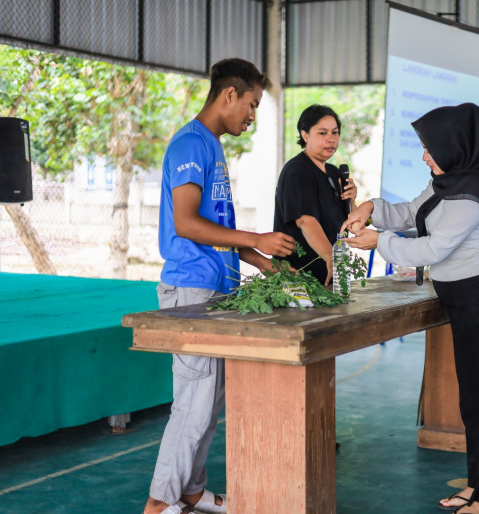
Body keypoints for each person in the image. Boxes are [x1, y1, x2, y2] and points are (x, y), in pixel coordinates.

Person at [341, 103, 479, 514]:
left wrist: (379, 242)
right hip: (464, 300)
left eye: (431, 147)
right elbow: (411, 212)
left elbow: (432, 248)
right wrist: (370, 207)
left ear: (455, 146)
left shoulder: (471, 195)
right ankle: (476, 486)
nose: (425, 156)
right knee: (472, 402)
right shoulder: (448, 181)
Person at [145, 58, 296, 514]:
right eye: (251, 105)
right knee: (193, 403)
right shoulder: (191, 144)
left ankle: (191, 491)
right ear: (229, 95)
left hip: (215, 288)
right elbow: (187, 224)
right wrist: (256, 238)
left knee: (208, 402)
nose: (251, 116)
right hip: (191, 290)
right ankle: (159, 502)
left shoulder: (210, 145)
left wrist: (262, 262)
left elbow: (218, 230)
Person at [273, 104, 357, 285]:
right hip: (299, 279)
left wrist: (352, 201)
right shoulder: (297, 171)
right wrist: (331, 259)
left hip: (329, 278)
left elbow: (349, 225)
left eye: (335, 133)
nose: (331, 139)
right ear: (305, 135)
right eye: (322, 133)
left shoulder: (334, 172)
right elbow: (306, 221)